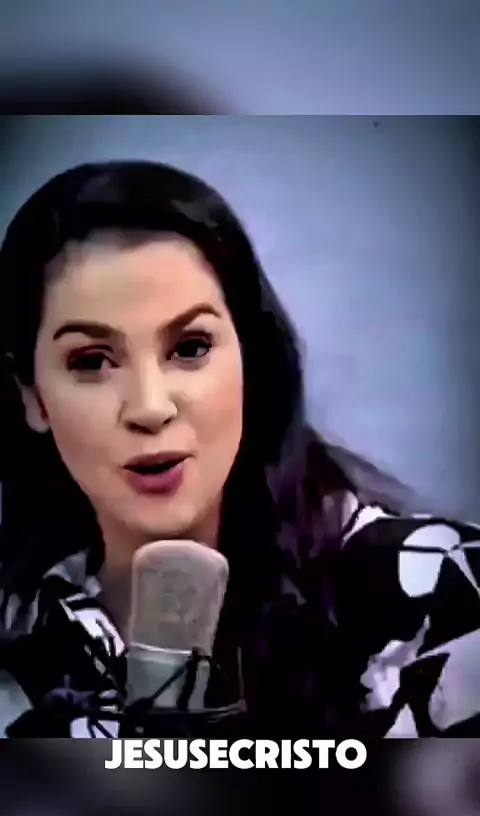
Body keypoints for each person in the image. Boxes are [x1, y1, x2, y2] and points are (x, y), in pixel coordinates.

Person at [0, 160, 479, 738]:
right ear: (32, 397)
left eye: (190, 348)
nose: (150, 407)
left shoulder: (440, 591)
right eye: (92, 361)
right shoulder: (20, 646)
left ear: (251, 358)